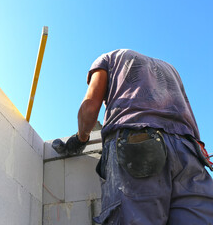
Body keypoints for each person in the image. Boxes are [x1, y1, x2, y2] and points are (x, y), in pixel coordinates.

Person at [64, 49, 213, 224]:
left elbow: (89, 109)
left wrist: (81, 138)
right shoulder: (171, 69)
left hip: (139, 146)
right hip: (189, 152)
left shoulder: (109, 58)